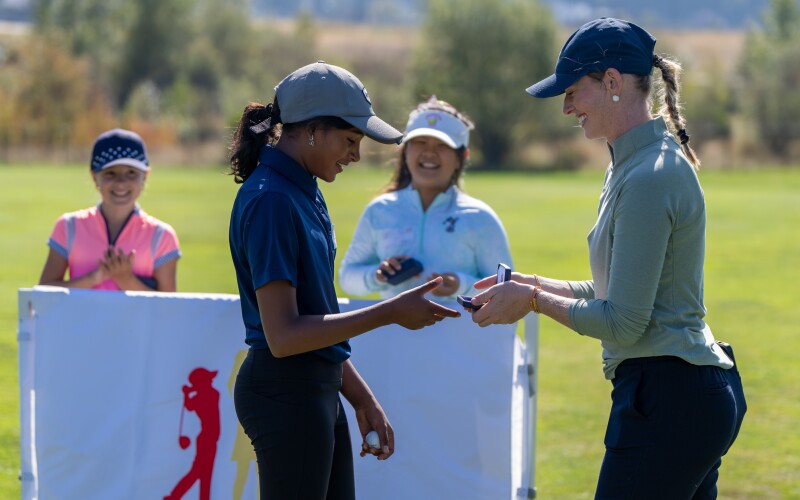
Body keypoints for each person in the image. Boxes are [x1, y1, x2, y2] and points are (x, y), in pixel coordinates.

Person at [465, 18, 746, 499]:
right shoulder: (630, 165)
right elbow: (616, 292)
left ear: (612, 82)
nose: (566, 108)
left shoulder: (649, 175)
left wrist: (531, 301)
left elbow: (623, 322)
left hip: (671, 399)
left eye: (573, 91)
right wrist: (532, 285)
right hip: (677, 396)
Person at [227, 61, 460, 499]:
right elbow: (284, 336)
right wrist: (391, 311)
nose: (355, 155)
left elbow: (316, 314)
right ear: (312, 130)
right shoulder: (273, 200)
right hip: (285, 393)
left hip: (314, 387)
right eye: (350, 140)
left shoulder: (302, 188)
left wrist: (359, 396)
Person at [339, 96, 512, 300]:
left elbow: (506, 290)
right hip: (395, 322)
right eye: (420, 142)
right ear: (405, 151)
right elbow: (347, 278)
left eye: (442, 145)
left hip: (462, 322)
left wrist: (461, 285)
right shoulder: (379, 210)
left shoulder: (480, 217)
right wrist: (377, 275)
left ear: (462, 157)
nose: (429, 153)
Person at [39, 128, 180, 291]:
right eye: (110, 173)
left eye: (131, 172)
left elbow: (168, 304)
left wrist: (126, 280)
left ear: (145, 176)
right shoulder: (68, 226)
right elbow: (44, 293)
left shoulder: (162, 236)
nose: (121, 182)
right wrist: (93, 278)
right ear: (94, 177)